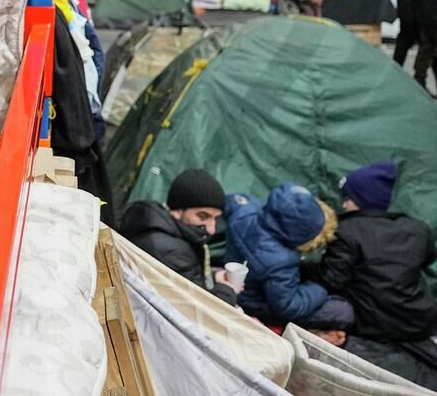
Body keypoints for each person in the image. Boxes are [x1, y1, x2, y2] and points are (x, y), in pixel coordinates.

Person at [320, 162, 437, 388]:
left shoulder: (347, 230)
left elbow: (332, 280)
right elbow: (426, 259)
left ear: (362, 201)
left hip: (375, 326)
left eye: (349, 198)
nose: (344, 203)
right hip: (420, 321)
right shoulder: (417, 229)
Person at [225, 183, 353, 332]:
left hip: (235, 282)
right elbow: (289, 307)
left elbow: (231, 201)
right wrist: (321, 289)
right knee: (342, 310)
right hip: (253, 305)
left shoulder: (244, 211)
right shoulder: (281, 261)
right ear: (300, 235)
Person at [120, 169, 238, 305]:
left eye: (215, 218)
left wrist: (213, 277)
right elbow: (197, 311)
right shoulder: (170, 250)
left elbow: (187, 279)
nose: (211, 229)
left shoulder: (156, 226)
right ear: (178, 210)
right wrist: (226, 291)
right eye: (202, 216)